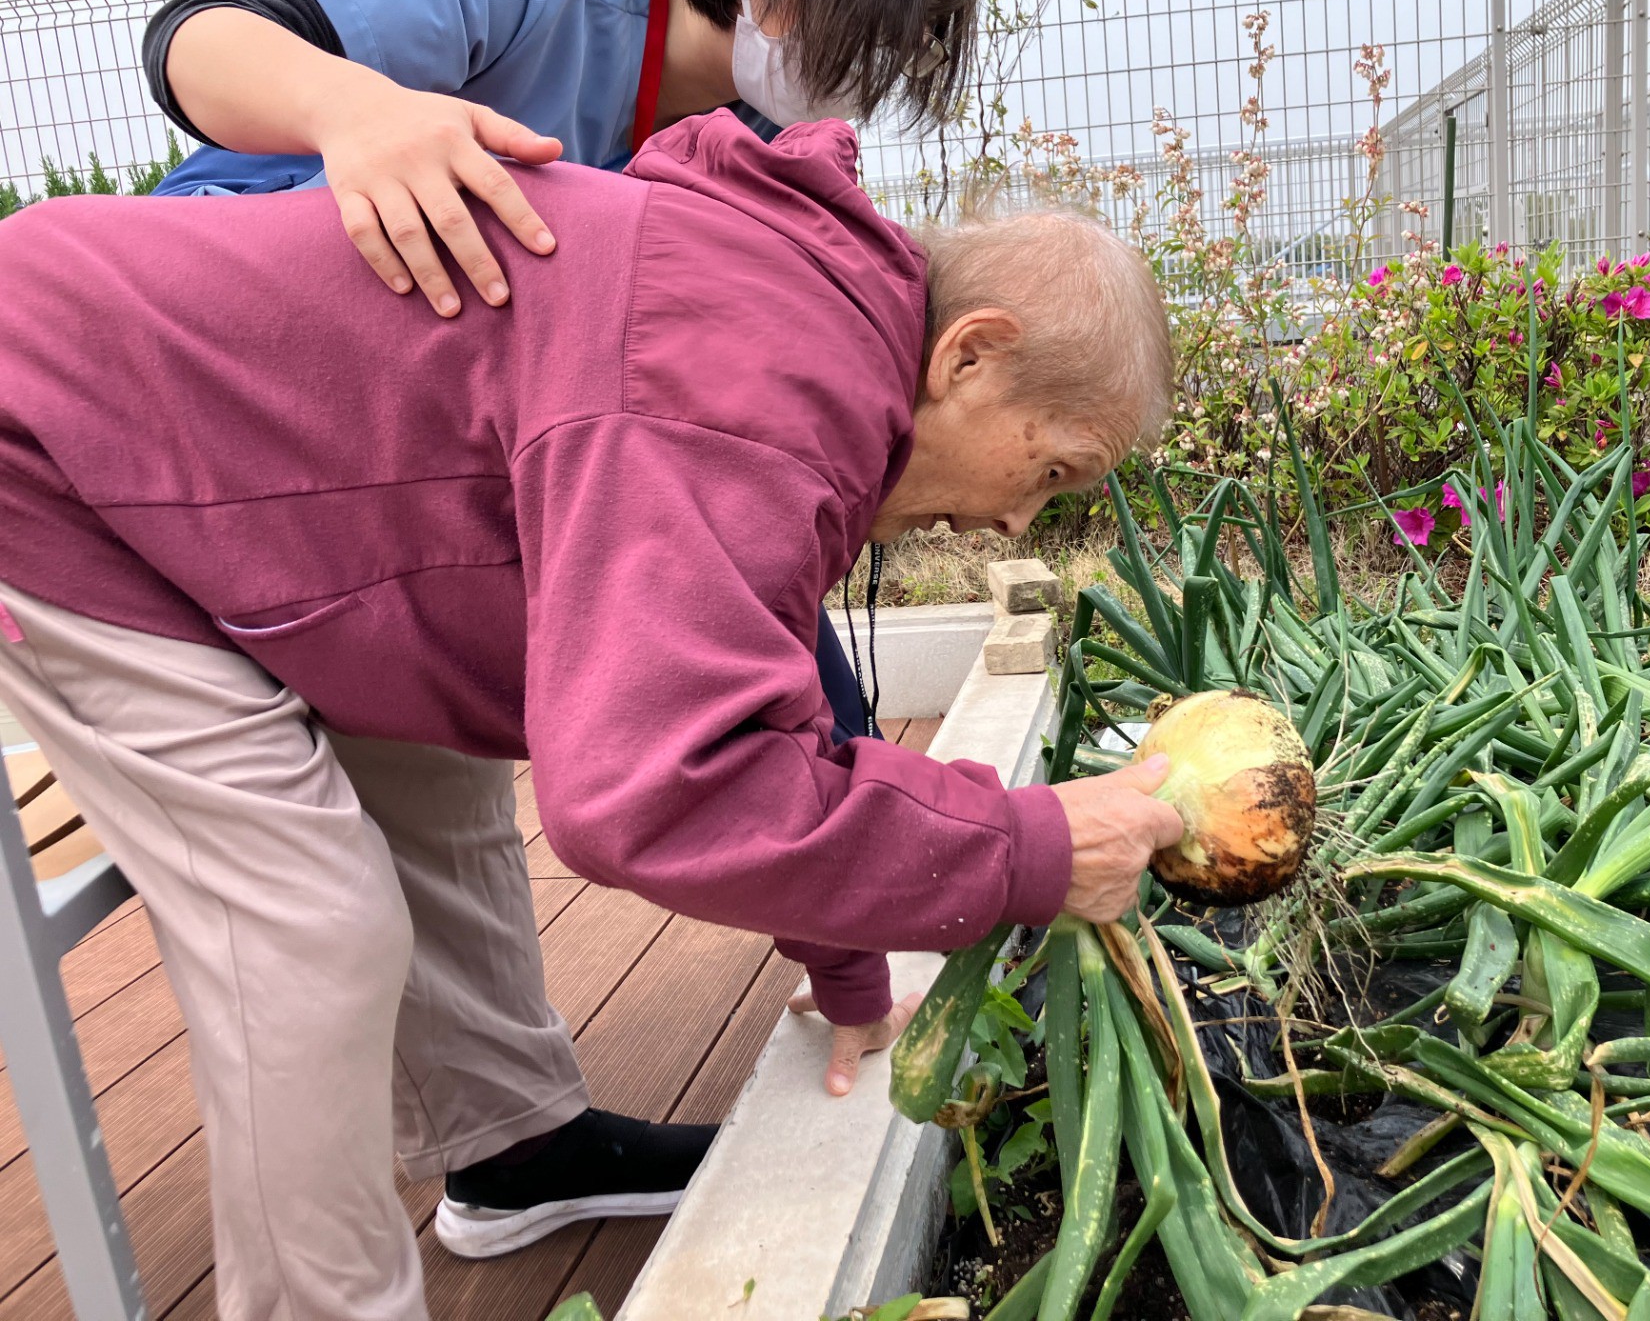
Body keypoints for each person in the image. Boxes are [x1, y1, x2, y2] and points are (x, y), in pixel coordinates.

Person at [0, 111, 1183, 1317]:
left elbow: (763, 690)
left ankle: (515, 1154)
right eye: (1051, 471)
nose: (1018, 523)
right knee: (307, 928)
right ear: (971, 356)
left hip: (218, 479)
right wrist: (1027, 848)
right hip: (53, 443)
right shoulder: (753, 384)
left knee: (438, 790)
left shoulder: (803, 330)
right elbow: (662, 786)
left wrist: (850, 973)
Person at [142, 0, 983, 760]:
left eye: (909, 41)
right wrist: (356, 110)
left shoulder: (760, 149)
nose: (879, 62)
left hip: (425, 491)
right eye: (881, 19)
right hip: (225, 400)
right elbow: (195, 42)